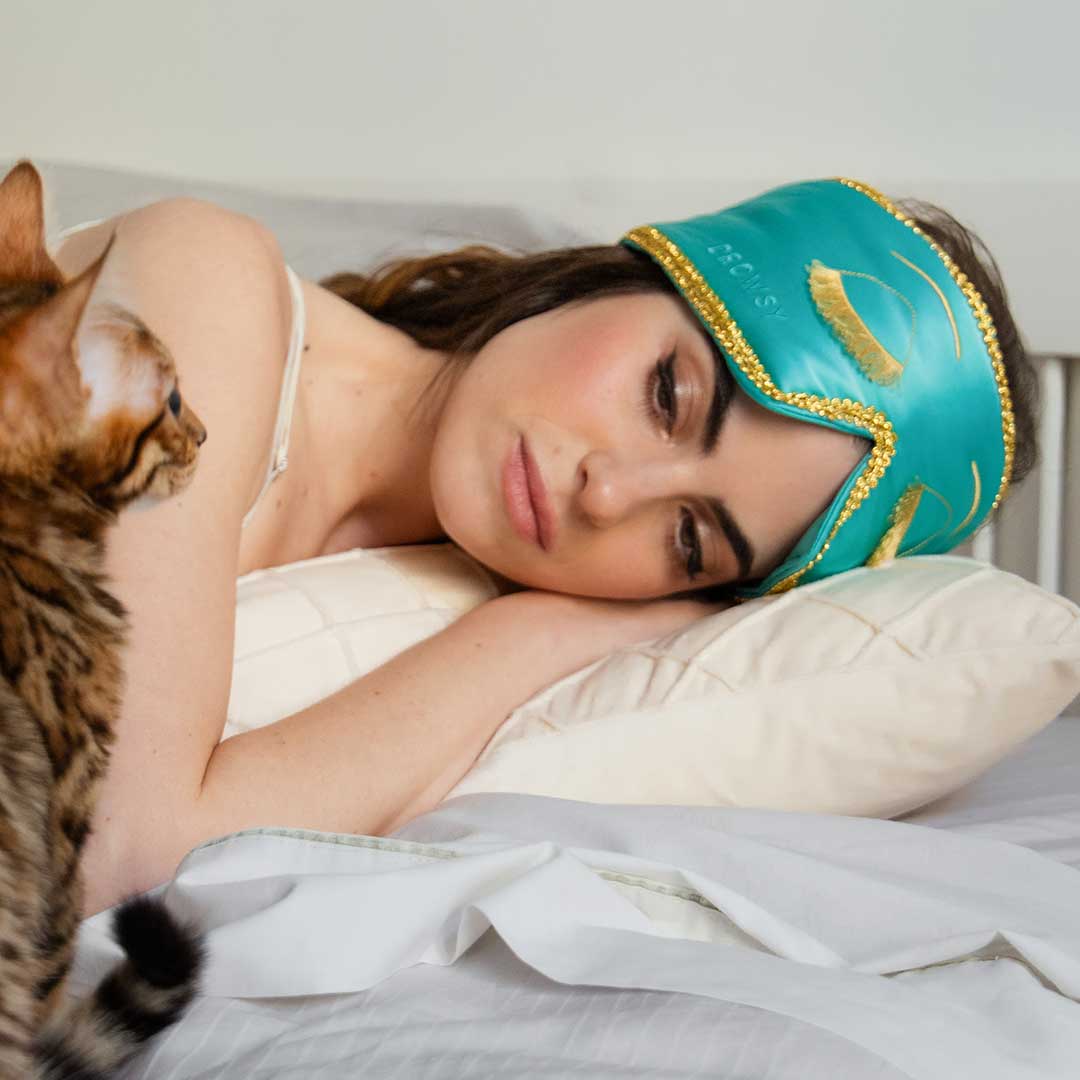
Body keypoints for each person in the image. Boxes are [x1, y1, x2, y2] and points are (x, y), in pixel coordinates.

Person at [52, 178, 1038, 915]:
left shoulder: (437, 603)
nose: (608, 494)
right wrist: (530, 635)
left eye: (691, 539)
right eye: (668, 395)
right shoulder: (205, 279)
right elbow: (119, 850)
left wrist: (546, 632)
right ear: (621, 275)